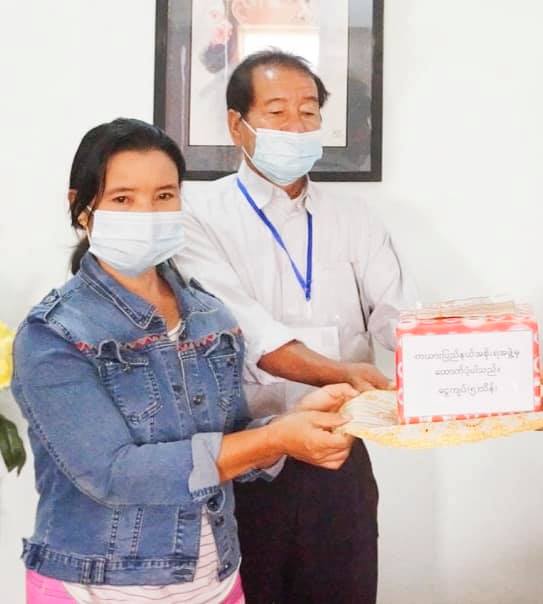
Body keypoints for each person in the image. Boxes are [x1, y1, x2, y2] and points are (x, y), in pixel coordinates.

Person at [12, 118, 358, 603]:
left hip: (215, 584)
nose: (148, 213)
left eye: (164, 196)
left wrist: (293, 422)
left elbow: (231, 440)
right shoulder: (54, 333)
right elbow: (114, 474)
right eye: (123, 199)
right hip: (95, 588)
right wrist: (274, 439)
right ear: (82, 208)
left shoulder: (209, 315)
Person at [174, 50, 413, 602]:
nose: (296, 127)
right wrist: (342, 373)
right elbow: (243, 330)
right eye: (277, 112)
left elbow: (399, 316)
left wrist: (460, 364)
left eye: (308, 113)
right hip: (244, 458)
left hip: (339, 452)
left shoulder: (355, 217)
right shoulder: (196, 213)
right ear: (237, 124)